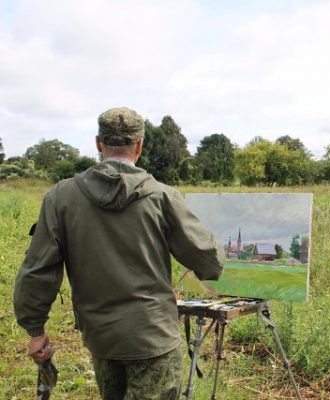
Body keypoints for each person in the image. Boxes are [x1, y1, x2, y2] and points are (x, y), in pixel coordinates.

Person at [14, 107, 225, 399]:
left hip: (101, 339)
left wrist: (35, 329)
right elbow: (210, 263)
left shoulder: (60, 197)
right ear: (139, 145)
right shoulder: (162, 196)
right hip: (153, 336)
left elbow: (37, 269)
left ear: (99, 144)